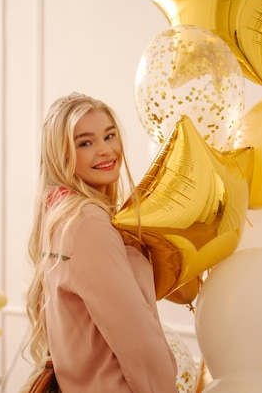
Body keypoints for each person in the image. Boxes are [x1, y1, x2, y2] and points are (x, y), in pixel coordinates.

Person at [24, 92, 178, 392]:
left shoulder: (59, 215)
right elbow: (137, 337)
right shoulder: (87, 222)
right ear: (62, 154)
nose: (106, 150)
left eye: (110, 136)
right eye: (85, 142)